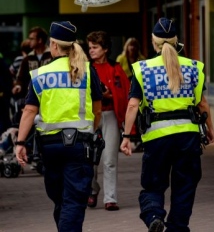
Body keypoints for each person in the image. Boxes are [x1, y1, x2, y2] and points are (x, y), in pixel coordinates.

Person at [120, 17, 214, 232]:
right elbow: (201, 103)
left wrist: (126, 137)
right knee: (185, 187)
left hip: (157, 138)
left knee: (153, 185)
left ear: (154, 42)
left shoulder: (142, 69)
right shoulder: (194, 67)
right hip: (188, 137)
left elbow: (133, 105)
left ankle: (154, 215)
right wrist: (211, 128)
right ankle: (178, 228)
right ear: (176, 41)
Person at [15, 21, 103, 232]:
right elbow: (97, 110)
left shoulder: (41, 74)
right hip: (79, 146)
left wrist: (19, 142)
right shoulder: (87, 71)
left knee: (60, 199)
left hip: (50, 147)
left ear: (54, 45)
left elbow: (29, 111)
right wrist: (91, 129)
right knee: (73, 200)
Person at [86, 30, 130, 211]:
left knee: (109, 158)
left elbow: (125, 94)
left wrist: (110, 95)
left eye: (95, 47)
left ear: (105, 49)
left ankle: (110, 198)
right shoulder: (85, 68)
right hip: (90, 116)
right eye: (89, 48)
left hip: (110, 114)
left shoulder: (116, 68)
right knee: (89, 159)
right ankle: (92, 189)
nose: (91, 51)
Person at [12, 26, 52, 100]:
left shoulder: (51, 55)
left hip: (50, 95)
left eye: (32, 39)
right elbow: (20, 77)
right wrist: (18, 85)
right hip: (32, 97)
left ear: (40, 40)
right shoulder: (28, 58)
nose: (29, 41)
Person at [9, 39, 32, 123]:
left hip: (19, 96)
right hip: (30, 94)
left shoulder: (19, 60)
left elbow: (11, 72)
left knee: (17, 118)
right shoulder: (33, 60)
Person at [0, 57, 13, 135]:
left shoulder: (1, 62)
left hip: (2, 96)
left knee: (3, 121)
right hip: (3, 95)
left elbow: (7, 78)